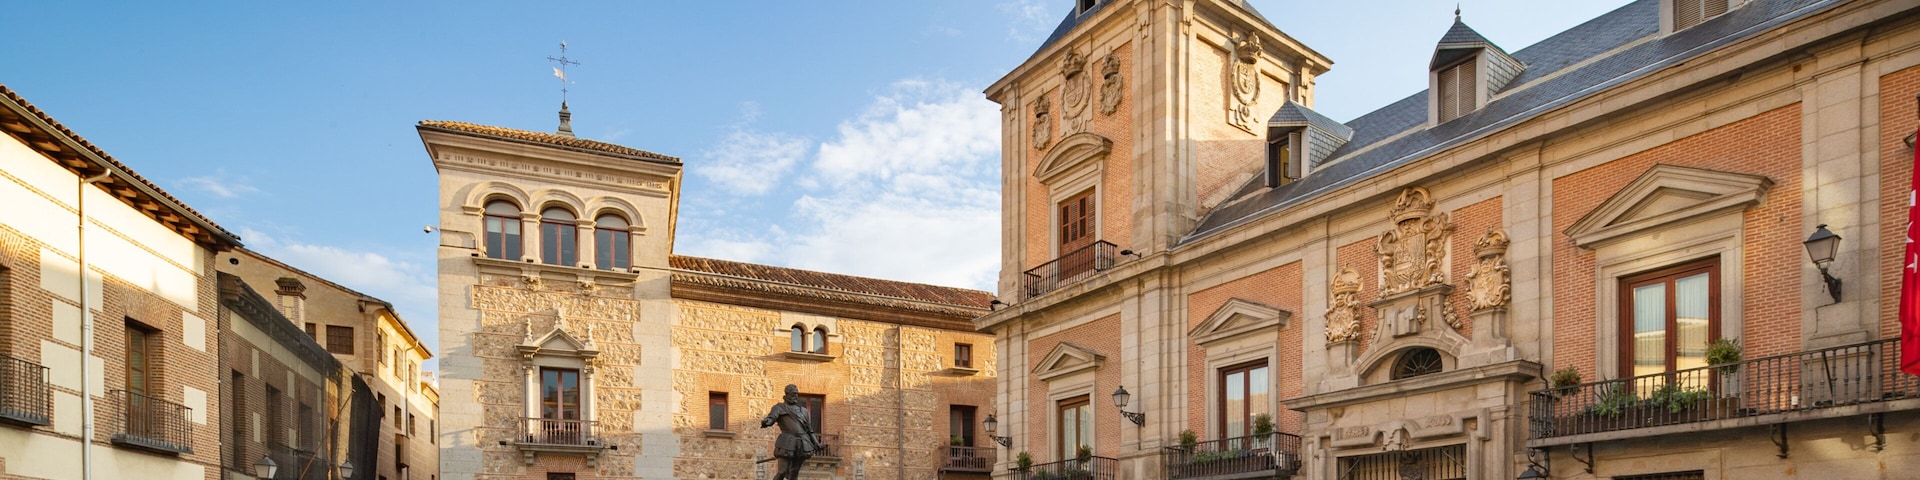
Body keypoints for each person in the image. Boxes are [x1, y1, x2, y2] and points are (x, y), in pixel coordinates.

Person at [761, 384, 818, 480]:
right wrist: (767, 421)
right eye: (793, 394)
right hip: (787, 442)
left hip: (802, 442)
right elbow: (772, 417)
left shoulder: (803, 411)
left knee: (794, 472)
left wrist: (816, 443)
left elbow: (809, 429)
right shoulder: (779, 407)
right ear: (787, 394)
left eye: (796, 394)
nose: (795, 396)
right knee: (782, 472)